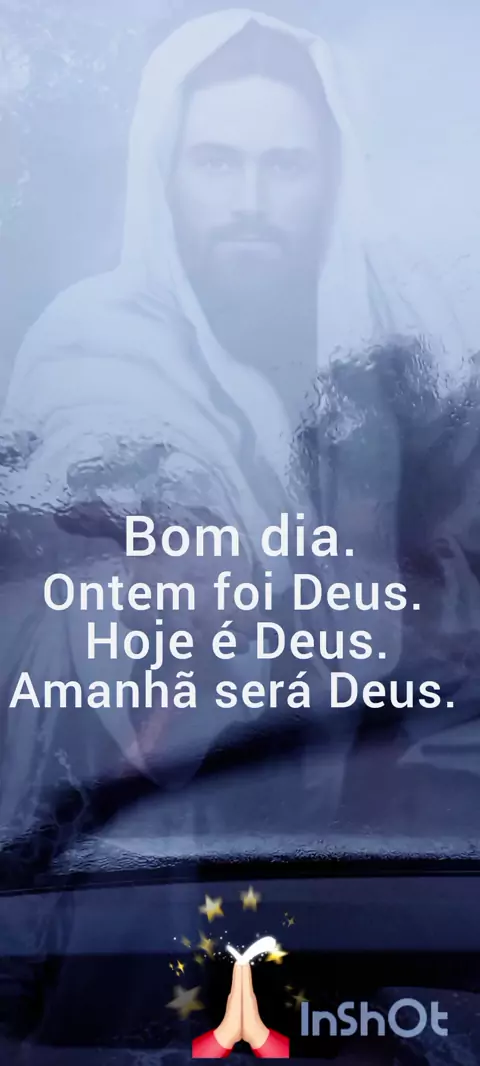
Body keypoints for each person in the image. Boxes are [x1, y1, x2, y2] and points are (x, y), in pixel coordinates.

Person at [0, 9, 465, 838]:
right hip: (132, 843)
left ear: (333, 179)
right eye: (217, 162)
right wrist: (175, 574)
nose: (250, 202)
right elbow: (85, 498)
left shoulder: (416, 340)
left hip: (388, 835)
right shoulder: (91, 343)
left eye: (285, 165)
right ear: (166, 172)